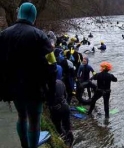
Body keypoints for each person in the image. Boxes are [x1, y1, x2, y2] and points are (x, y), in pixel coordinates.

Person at [0, 2, 57, 148]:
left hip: (13, 86)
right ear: (34, 17)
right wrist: (51, 89)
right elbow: (52, 65)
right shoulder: (41, 36)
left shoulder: (4, 35)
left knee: (21, 116)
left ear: (19, 14)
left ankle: (24, 145)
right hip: (35, 87)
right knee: (34, 120)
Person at [49, 78, 74, 147]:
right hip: (65, 106)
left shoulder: (48, 85)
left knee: (58, 126)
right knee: (67, 126)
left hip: (56, 109)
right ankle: (70, 142)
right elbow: (65, 95)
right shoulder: (60, 82)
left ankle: (65, 141)